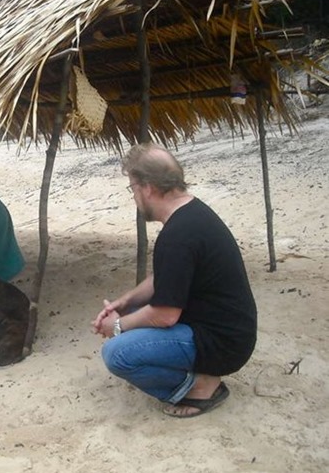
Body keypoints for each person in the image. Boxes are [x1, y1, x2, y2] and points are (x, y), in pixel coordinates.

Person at [92, 143, 257, 418]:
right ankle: (198, 375)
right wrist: (125, 302)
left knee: (117, 353)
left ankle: (201, 387)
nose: (133, 196)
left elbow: (166, 315)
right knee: (133, 314)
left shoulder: (178, 236)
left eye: (132, 188)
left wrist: (117, 326)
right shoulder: (192, 214)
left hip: (221, 342)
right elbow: (167, 278)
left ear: (147, 188)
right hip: (226, 329)